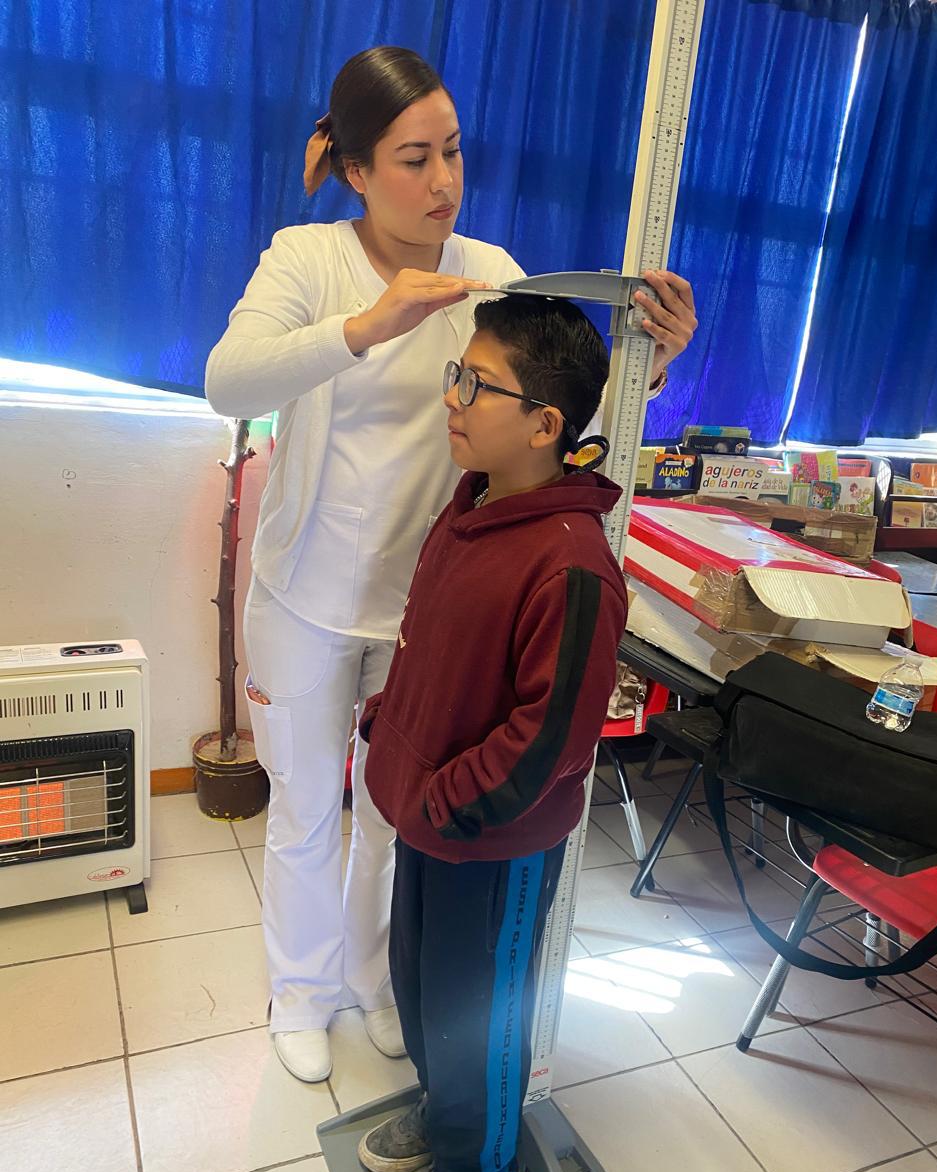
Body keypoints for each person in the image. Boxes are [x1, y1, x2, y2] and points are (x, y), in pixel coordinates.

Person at [205, 45, 697, 1085]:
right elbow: (228, 380)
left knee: (393, 810)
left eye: (455, 153)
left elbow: (554, 410)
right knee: (305, 808)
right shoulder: (307, 260)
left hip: (427, 611)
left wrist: (655, 361)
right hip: (302, 596)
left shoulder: (489, 268)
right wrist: (368, 324)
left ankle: (373, 978)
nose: (443, 182)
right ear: (356, 169)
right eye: (414, 158)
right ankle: (301, 989)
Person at [355, 293, 627, 1172]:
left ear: (546, 425)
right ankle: (444, 1117)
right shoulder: (472, 507)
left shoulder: (571, 566)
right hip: (429, 818)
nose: (453, 398)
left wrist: (444, 800)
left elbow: (549, 740)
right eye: (456, 376)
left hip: (491, 841)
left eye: (477, 384)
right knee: (423, 988)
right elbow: (434, 646)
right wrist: (391, 729)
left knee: (483, 1017)